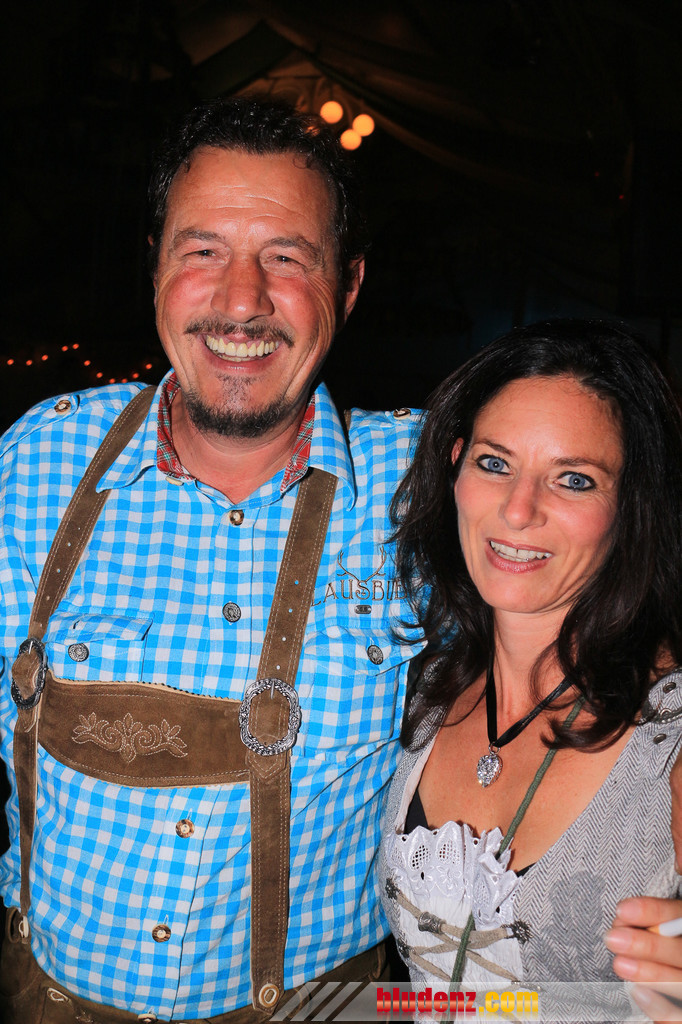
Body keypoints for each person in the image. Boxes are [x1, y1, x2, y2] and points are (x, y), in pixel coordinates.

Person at [0, 96, 423, 1022]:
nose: (241, 301)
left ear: (349, 285)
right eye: (202, 251)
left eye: (287, 258)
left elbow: (613, 667)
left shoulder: (427, 489)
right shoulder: (35, 462)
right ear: (155, 266)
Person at [380, 319, 682, 1020]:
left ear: (630, 507)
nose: (519, 511)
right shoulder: (426, 688)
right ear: (455, 466)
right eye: (495, 463)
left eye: (574, 480)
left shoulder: (668, 735)